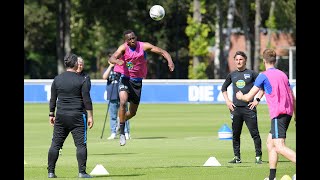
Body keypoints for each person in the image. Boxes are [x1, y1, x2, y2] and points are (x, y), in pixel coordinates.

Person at [235, 49, 296, 180]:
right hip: (288, 112)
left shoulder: (263, 75)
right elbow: (291, 95)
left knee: (279, 146)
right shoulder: (283, 75)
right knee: (270, 143)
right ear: (275, 60)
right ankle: (272, 176)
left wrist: (240, 96)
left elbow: (248, 97)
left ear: (263, 61)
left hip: (278, 113)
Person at [108, 29, 174, 146]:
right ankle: (122, 133)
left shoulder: (144, 46)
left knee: (132, 113)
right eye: (130, 39)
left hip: (137, 82)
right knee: (123, 102)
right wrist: (117, 61)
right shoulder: (123, 48)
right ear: (126, 41)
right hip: (125, 78)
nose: (132, 40)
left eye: (134, 38)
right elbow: (111, 58)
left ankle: (121, 120)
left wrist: (169, 61)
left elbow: (162, 51)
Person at [47, 52, 94, 178]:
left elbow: (53, 99)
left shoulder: (57, 79)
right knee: (81, 145)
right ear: (75, 64)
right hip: (78, 116)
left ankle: (51, 172)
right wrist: (90, 116)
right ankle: (82, 172)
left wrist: (51, 114)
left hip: (61, 116)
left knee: (55, 144)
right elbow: (87, 99)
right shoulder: (82, 79)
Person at [221, 51, 264, 164]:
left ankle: (258, 157)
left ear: (245, 60)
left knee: (255, 134)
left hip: (249, 108)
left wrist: (257, 100)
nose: (238, 61)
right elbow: (223, 88)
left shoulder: (252, 73)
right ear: (234, 61)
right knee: (235, 135)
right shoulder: (232, 75)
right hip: (236, 109)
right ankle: (237, 157)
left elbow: (263, 86)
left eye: (241, 59)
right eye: (236, 60)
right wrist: (228, 102)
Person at [102, 60, 131, 140]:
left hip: (122, 94)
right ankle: (113, 133)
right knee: (113, 116)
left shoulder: (122, 68)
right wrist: (111, 66)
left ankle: (126, 132)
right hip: (112, 95)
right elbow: (104, 77)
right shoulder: (108, 69)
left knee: (125, 114)